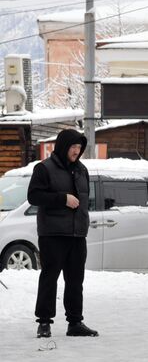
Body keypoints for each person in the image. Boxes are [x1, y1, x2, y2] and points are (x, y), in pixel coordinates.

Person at [28, 128, 98, 338]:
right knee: (50, 278)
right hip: (53, 234)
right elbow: (34, 196)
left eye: (79, 147)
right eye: (73, 147)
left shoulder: (82, 170)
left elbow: (84, 201)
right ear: (63, 146)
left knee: (76, 280)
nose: (77, 151)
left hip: (77, 235)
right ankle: (44, 323)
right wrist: (62, 199)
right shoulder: (44, 168)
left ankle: (75, 322)